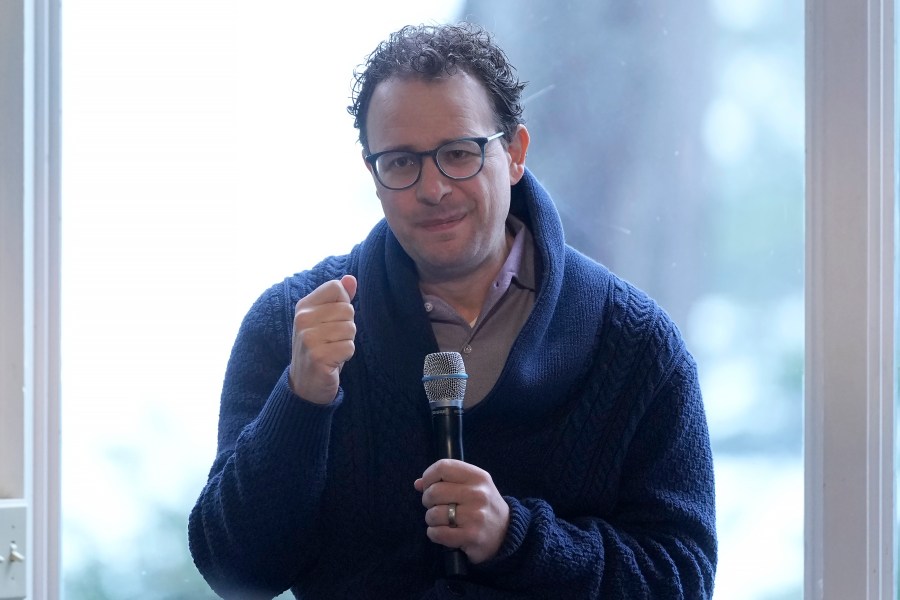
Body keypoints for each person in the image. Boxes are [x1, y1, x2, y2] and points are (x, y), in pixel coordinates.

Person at [188, 22, 717, 599]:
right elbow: (234, 571)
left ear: (514, 153)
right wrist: (302, 400)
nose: (433, 188)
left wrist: (517, 537)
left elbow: (683, 578)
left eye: (459, 153)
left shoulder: (636, 344)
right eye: (400, 163)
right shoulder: (294, 325)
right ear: (374, 174)